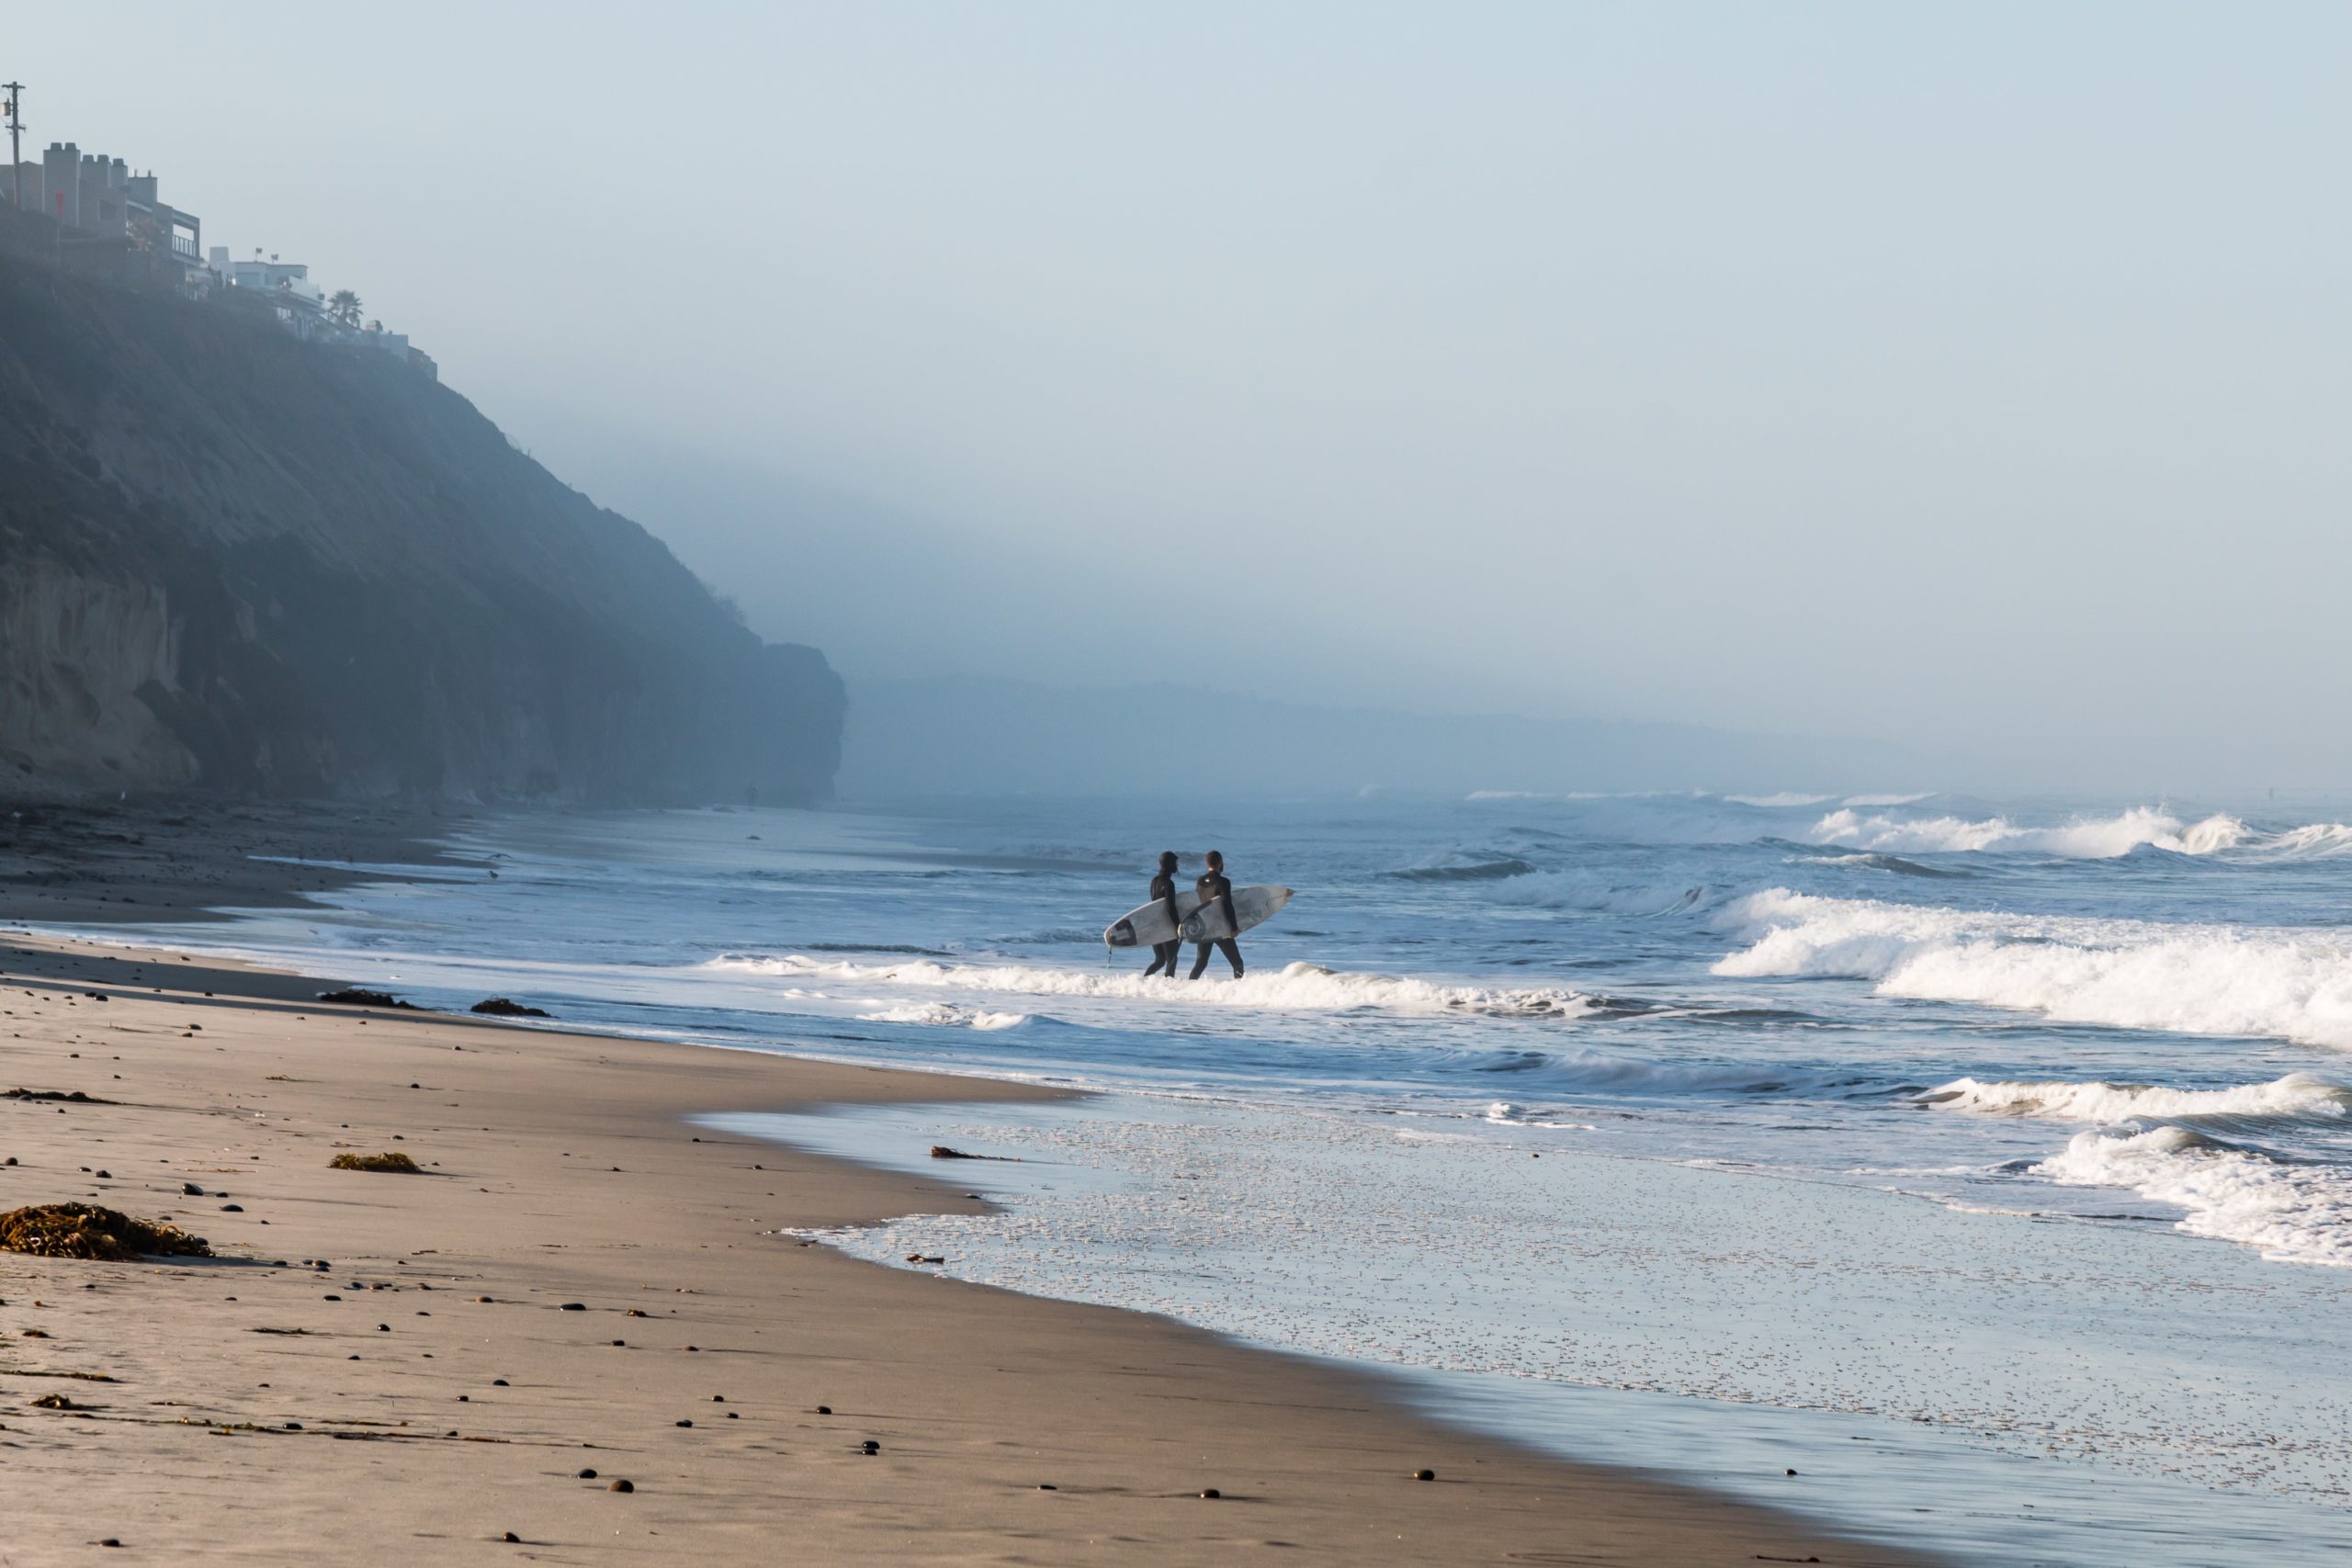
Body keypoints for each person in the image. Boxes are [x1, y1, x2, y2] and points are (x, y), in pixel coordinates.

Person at [1188, 848, 1245, 979]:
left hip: (1203, 927)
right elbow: (1227, 905)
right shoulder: (1224, 882)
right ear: (1220, 863)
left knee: (1200, 964)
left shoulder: (1200, 881)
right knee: (1237, 964)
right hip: (1219, 927)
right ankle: (1238, 989)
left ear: (1207, 863)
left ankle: (1187, 988)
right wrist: (1234, 927)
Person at [1140, 851, 1184, 978]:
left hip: (1155, 925)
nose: (1177, 866)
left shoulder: (1154, 881)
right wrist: (1178, 927)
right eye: (1175, 863)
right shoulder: (1169, 883)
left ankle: (1142, 982)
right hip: (1166, 927)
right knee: (1171, 960)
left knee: (1160, 960)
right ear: (1170, 864)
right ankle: (1168, 985)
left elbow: (1155, 905)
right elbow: (1170, 907)